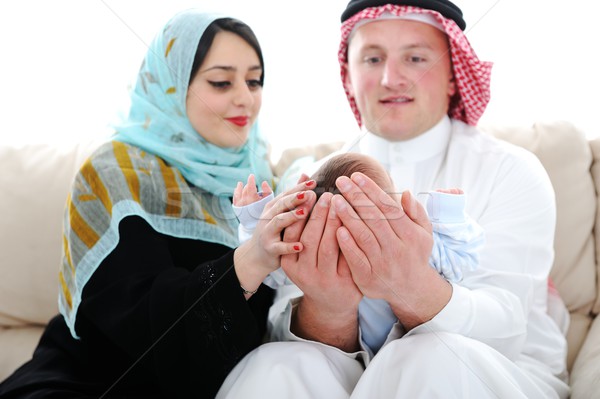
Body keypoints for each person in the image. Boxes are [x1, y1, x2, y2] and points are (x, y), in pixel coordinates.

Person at [216, 1, 571, 398]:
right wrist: (328, 310)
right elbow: (280, 320)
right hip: (348, 369)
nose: (390, 78)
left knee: (428, 355)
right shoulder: (311, 176)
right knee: (274, 365)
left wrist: (412, 286)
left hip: (494, 370)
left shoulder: (512, 171)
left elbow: (508, 331)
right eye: (372, 59)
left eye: (416, 58)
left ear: (454, 75)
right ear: (348, 76)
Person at [0, 9, 317, 399]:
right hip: (91, 379)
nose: (245, 99)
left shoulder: (260, 179)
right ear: (171, 86)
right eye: (220, 82)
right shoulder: (115, 170)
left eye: (254, 81)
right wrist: (249, 261)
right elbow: (138, 317)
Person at [232, 153, 485, 356]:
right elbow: (270, 260)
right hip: (338, 357)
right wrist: (258, 223)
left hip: (411, 354)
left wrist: (445, 218)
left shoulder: (411, 248)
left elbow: (460, 256)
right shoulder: (309, 250)